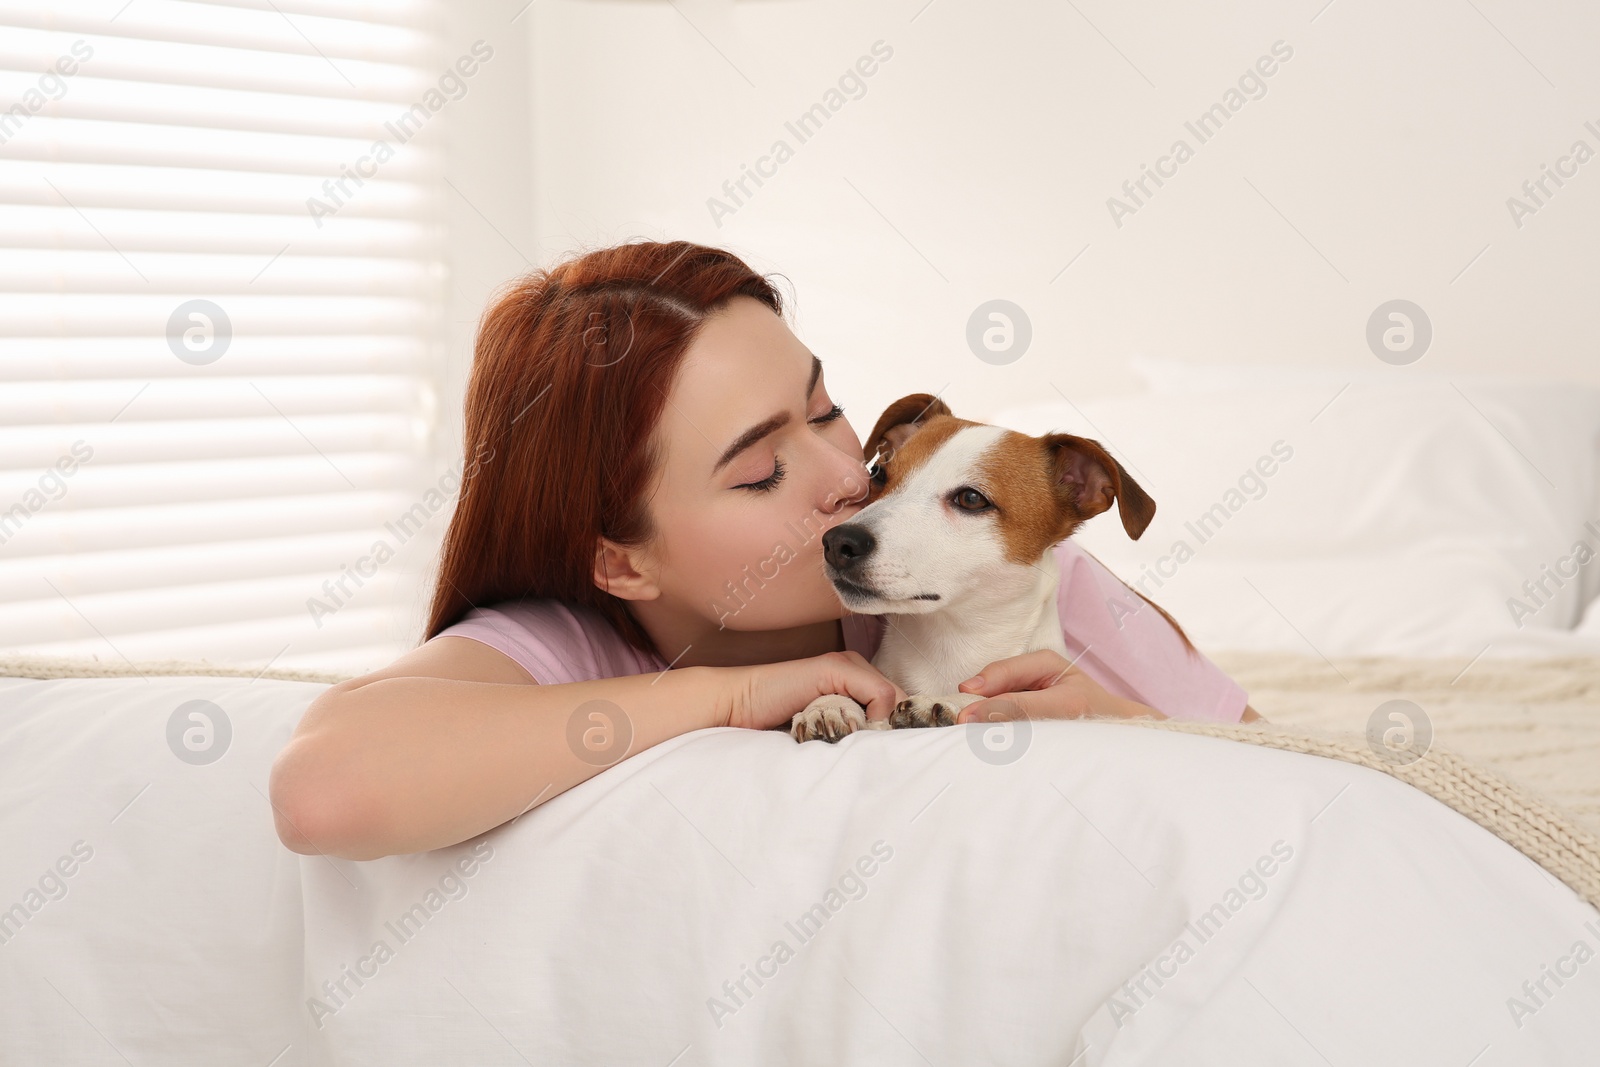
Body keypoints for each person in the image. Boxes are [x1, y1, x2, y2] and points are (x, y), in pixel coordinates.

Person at [268, 240, 1258, 861]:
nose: (843, 478)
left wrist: (1123, 723)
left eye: (829, 412)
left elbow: (1275, 760)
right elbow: (325, 787)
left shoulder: (1005, 590)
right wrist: (731, 698)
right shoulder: (567, 641)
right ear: (620, 560)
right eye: (756, 472)